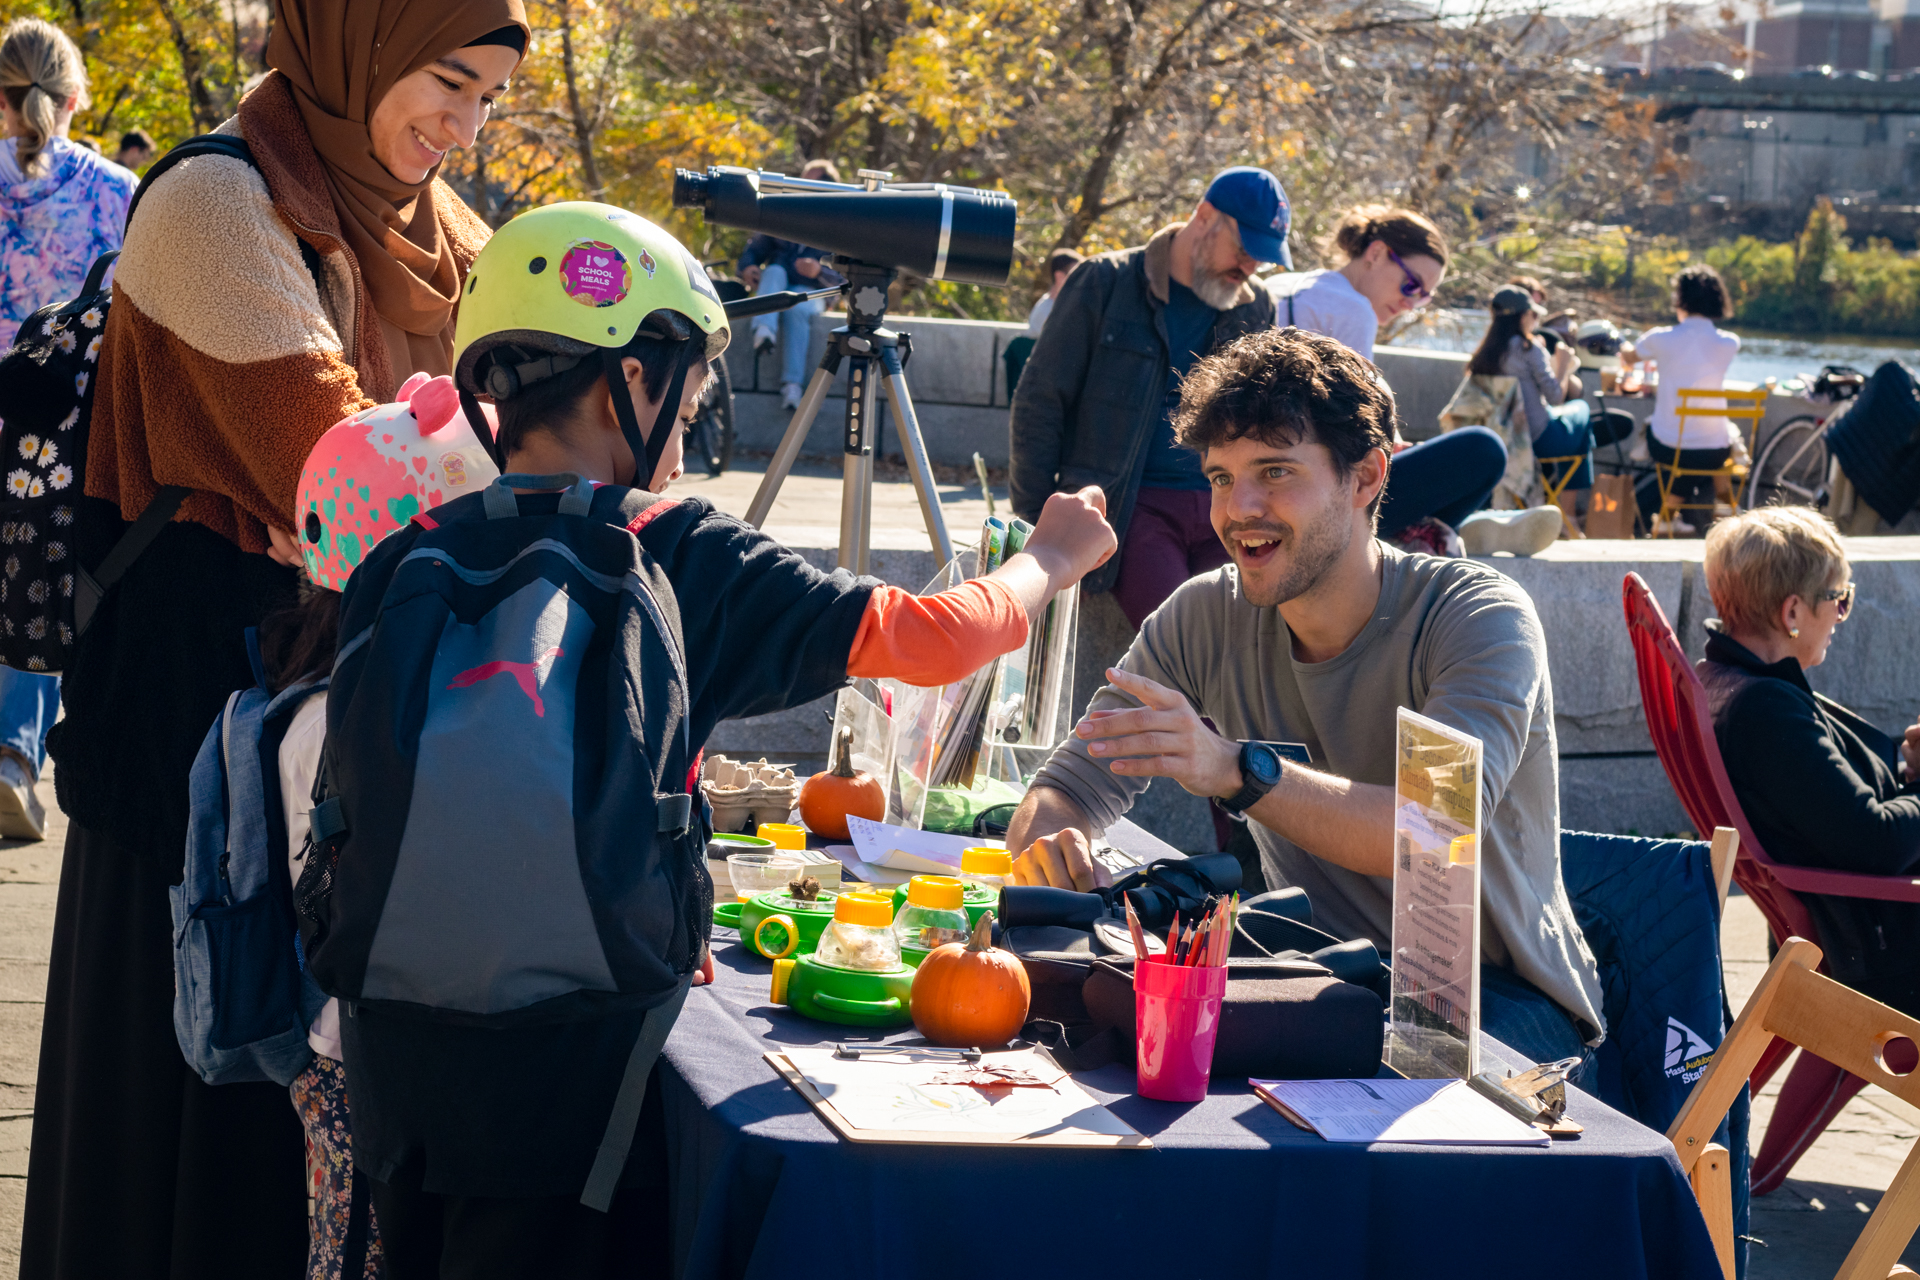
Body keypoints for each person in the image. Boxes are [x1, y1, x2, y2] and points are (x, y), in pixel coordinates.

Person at [329, 201, 1115, 1276]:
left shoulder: (406, 555)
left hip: (399, 1056)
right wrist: (1052, 557)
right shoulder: (678, 554)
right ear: (632, 379)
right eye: (691, 383)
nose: (695, 411)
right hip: (588, 1072)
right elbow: (933, 641)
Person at [24, 0, 531, 1274]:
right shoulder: (209, 204)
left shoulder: (453, 236)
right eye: (447, 83)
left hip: (366, 762)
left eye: (489, 101)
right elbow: (346, 478)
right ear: (359, 39)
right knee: (194, 1165)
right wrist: (567, 450)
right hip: (204, 773)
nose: (463, 128)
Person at [1004, 326, 1606, 1068]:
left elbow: (1428, 833)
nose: (1238, 509)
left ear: (1367, 478)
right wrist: (1053, 846)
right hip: (1324, 972)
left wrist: (1236, 771)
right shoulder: (1205, 612)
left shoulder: (1476, 616)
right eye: (1221, 477)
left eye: (1275, 472)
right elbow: (1063, 788)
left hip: (1498, 1004)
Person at [1010, 165, 1285, 632]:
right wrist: (1041, 525)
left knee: (1252, 645)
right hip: (1131, 505)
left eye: (1261, 259)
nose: (1249, 267)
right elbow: (1040, 402)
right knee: (1182, 643)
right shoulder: (1104, 282)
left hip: (1228, 505)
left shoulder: (1255, 305)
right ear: (1204, 217)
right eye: (1243, 250)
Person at [0, 18, 136, 841]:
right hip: (64, 428)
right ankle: (14, 757)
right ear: (76, 97)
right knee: (40, 591)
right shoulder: (119, 191)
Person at [1701, 506, 1919, 1014]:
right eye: (1837, 599)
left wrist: (1906, 771)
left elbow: (1833, 804)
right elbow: (1877, 841)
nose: (1841, 614)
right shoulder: (1767, 710)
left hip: (1840, 926)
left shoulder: (1727, 681)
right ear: (1793, 612)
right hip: (1875, 946)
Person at [1264, 204, 1507, 551]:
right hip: (1316, 495)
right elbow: (1354, 434)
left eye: (1423, 297)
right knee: (1484, 450)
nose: (1412, 304)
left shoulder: (1281, 283)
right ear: (1376, 252)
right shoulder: (1354, 308)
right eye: (1411, 285)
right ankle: (1430, 530)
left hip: (1265, 479)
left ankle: (1438, 527)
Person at [1620, 263, 1741, 536]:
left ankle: (1666, 518)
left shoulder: (1662, 338)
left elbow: (1629, 357)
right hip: (1715, 450)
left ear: (1680, 299)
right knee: (1708, 447)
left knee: (1673, 445)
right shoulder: (1729, 344)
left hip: (1671, 447)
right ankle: (1723, 510)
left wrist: (1620, 343)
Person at [1469, 284, 1593, 531]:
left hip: (1503, 439)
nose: (1536, 320)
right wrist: (1563, 364)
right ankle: (1569, 516)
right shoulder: (1529, 348)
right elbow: (1557, 396)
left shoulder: (1484, 354)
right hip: (1538, 437)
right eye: (1534, 314)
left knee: (1581, 435)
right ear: (1523, 316)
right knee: (1581, 410)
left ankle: (1566, 517)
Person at [737, 158, 846, 410]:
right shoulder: (785, 210)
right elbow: (756, 247)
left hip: (815, 292)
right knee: (773, 270)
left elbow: (847, 274)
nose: (800, 185)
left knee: (797, 309)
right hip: (780, 283)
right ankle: (763, 332)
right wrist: (748, 267)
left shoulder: (841, 219)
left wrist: (819, 270)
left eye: (809, 181)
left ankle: (792, 386)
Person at [1026, 247, 1084, 334]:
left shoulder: (1060, 306)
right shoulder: (1047, 310)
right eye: (1075, 275)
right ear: (1059, 276)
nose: (1080, 280)